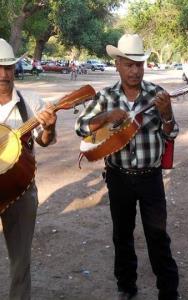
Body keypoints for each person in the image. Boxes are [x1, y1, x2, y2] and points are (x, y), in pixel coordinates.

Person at [75, 34, 179, 300]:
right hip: (118, 176)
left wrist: (166, 115)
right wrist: (106, 116)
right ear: (118, 65)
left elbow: (171, 134)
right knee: (122, 235)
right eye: (128, 64)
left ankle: (168, 292)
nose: (134, 70)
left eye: (139, 64)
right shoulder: (107, 96)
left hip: (150, 178)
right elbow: (80, 126)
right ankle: (126, 287)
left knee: (158, 237)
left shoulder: (157, 95)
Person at [0, 38, 57, 299]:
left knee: (20, 263)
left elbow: (45, 142)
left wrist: (49, 126)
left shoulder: (32, 101)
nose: (3, 74)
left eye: (9, 68)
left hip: (21, 192)